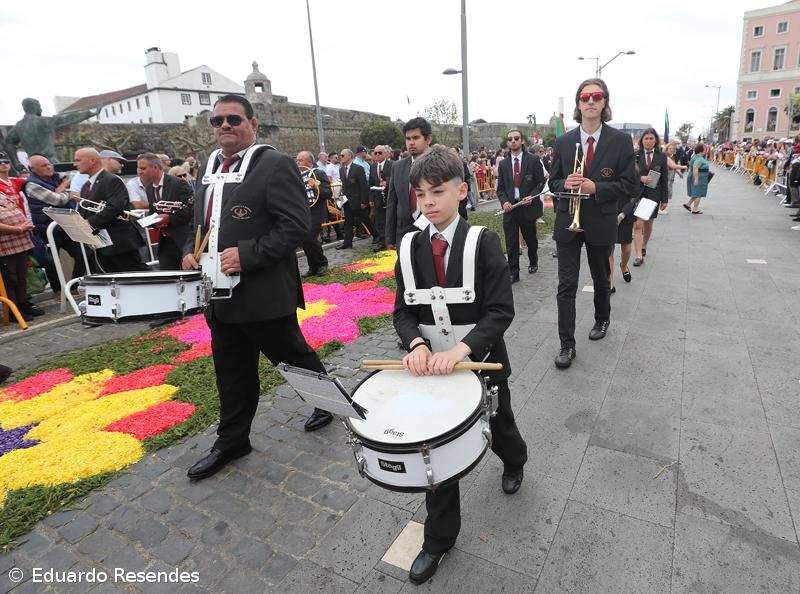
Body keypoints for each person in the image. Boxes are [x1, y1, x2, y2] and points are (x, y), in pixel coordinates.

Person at [393, 146, 527, 584]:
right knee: (435, 450)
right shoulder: (410, 246)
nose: (428, 202)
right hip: (430, 370)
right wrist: (414, 342)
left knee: (500, 423)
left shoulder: (483, 242)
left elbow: (500, 311)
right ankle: (439, 539)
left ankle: (514, 459)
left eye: (437, 191)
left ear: (461, 190)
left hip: (480, 363)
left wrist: (462, 350)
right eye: (420, 194)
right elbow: (402, 311)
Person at [181, 95, 332, 480]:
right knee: (230, 373)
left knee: (293, 356)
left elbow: (296, 226)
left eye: (233, 119)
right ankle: (233, 441)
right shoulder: (209, 166)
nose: (224, 126)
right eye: (217, 121)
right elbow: (200, 220)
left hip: (263, 294)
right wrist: (189, 251)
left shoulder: (275, 164)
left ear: (253, 122)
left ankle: (326, 402)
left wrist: (247, 254)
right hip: (219, 296)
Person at [549, 79, 638, 369]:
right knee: (566, 285)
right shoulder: (563, 142)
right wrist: (566, 182)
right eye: (584, 97)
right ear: (578, 104)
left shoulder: (621, 141)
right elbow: (553, 182)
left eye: (596, 96)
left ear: (604, 102)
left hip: (601, 220)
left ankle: (602, 318)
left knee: (601, 277)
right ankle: (567, 344)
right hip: (568, 221)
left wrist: (595, 188)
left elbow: (629, 185)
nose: (590, 101)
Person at [74, 148, 147, 273]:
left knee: (136, 277)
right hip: (101, 244)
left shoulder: (111, 180)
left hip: (119, 244)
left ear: (92, 161)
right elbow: (85, 210)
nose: (75, 164)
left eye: (78, 160)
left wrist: (87, 223)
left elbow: (115, 208)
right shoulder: (86, 186)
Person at [22, 154, 86, 291]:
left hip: (66, 225)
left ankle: (74, 286)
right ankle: (58, 290)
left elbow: (69, 185)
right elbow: (59, 200)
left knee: (83, 254)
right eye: (43, 165)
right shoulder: (31, 184)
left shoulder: (56, 177)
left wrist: (62, 190)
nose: (49, 167)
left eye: (49, 164)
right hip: (47, 228)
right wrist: (64, 189)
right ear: (33, 169)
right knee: (53, 263)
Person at [497, 129, 545, 282]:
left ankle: (533, 260)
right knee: (511, 242)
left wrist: (532, 195)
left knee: (530, 239)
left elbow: (540, 182)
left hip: (528, 208)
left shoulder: (533, 160)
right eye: (510, 139)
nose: (513, 141)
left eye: (516, 138)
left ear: (522, 140)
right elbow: (501, 188)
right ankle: (513, 272)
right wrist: (504, 202)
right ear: (507, 143)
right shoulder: (503, 164)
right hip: (510, 209)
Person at [138, 153, 194, 271]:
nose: (139, 172)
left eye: (143, 168)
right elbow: (154, 211)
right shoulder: (149, 189)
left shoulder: (178, 183)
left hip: (183, 241)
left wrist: (169, 218)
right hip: (165, 243)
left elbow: (192, 209)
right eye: (138, 168)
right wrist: (152, 221)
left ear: (155, 167)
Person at [386, 117, 434, 249]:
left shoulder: (441, 164)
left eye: (416, 138)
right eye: (408, 139)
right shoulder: (398, 166)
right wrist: (390, 236)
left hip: (433, 232)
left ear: (428, 139)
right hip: (404, 235)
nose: (411, 142)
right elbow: (392, 202)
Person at [0, 153, 37, 322]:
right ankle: (14, 311)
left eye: (6, 161)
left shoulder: (14, 181)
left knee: (22, 275)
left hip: (21, 238)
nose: (3, 164)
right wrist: (19, 227)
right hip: (5, 243)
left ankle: (23, 304)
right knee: (10, 277)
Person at [631, 129, 668, 267]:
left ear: (655, 140)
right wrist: (640, 178)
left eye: (651, 138)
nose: (648, 141)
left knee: (648, 224)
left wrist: (665, 199)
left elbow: (664, 179)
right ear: (642, 141)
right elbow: (628, 174)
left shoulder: (662, 157)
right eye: (645, 138)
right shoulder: (635, 155)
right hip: (637, 194)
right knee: (638, 224)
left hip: (654, 195)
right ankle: (639, 255)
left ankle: (644, 245)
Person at [296, 150, 331, 275]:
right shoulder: (297, 175)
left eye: (300, 160)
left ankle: (322, 263)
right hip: (302, 212)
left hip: (316, 212)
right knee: (305, 240)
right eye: (297, 160)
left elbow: (328, 193)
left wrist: (315, 186)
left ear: (309, 162)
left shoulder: (318, 173)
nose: (297, 162)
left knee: (310, 238)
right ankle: (312, 266)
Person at [336, 148, 377, 250]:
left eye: (342, 155)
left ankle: (376, 235)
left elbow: (363, 186)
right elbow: (344, 186)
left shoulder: (357, 168)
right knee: (348, 222)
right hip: (347, 201)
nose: (340, 157)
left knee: (365, 219)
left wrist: (364, 201)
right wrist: (341, 200)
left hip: (358, 201)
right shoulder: (341, 169)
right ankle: (347, 243)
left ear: (349, 156)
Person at [369, 145, 392, 251]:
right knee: (380, 221)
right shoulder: (373, 166)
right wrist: (371, 199)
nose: (377, 155)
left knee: (391, 219)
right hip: (377, 198)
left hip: (390, 197)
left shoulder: (392, 165)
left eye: (380, 153)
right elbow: (371, 183)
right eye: (375, 153)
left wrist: (388, 182)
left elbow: (396, 179)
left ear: (385, 153)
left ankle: (391, 240)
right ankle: (382, 241)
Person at [684, 143, 709, 214]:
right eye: (704, 149)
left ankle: (688, 204)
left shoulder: (695, 156)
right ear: (701, 150)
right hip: (699, 177)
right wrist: (696, 179)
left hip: (697, 176)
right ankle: (695, 209)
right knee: (698, 194)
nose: (705, 150)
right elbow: (695, 168)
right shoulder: (699, 158)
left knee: (696, 192)